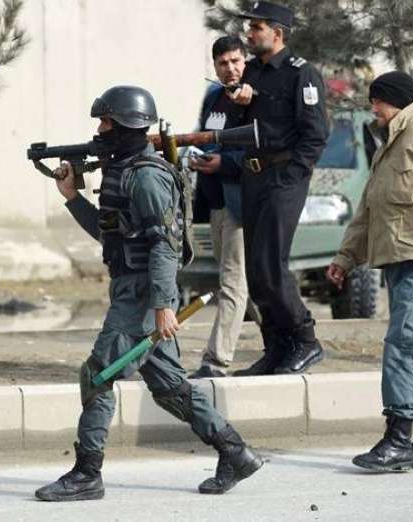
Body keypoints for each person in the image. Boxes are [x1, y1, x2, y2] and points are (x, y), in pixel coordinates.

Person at [34, 85, 262, 501]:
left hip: (142, 296)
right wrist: (72, 198)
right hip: (135, 289)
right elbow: (109, 234)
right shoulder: (123, 170)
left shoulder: (146, 176)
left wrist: (161, 305)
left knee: (97, 375)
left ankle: (87, 473)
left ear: (127, 126)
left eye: (106, 123)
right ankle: (235, 452)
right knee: (170, 387)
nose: (100, 131)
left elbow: (164, 246)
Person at [327, 71, 413, 471]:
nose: (373, 108)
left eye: (378, 101)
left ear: (397, 100)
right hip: (399, 261)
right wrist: (345, 257)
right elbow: (368, 213)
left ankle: (398, 439)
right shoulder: (388, 147)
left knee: (404, 345)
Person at [229, 1, 330, 376]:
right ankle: (276, 347)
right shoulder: (252, 71)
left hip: (283, 177)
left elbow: (315, 135)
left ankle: (305, 339)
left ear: (277, 33)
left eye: (256, 27)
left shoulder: (301, 74)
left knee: (271, 264)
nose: (249, 33)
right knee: (255, 272)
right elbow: (239, 127)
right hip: (253, 176)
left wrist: (292, 175)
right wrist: (239, 102)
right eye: (249, 27)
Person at [187, 36, 249, 379]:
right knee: (242, 282)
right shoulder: (213, 97)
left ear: (245, 61)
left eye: (236, 61)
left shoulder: (252, 98)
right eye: (223, 63)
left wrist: (224, 163)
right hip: (215, 202)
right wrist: (194, 156)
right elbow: (205, 137)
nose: (230, 69)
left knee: (232, 282)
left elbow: (259, 148)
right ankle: (285, 341)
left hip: (242, 202)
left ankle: (216, 361)